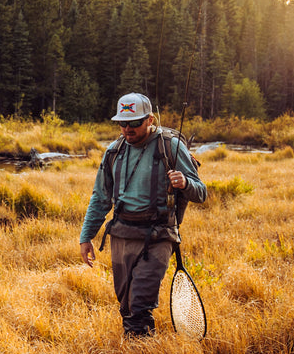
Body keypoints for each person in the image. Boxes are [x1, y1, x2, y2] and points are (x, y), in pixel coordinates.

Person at [79, 92, 207, 337]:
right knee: (126, 306)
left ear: (149, 120)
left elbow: (201, 193)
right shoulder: (113, 152)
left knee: (139, 306)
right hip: (121, 235)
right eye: (122, 123)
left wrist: (184, 183)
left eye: (135, 123)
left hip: (158, 236)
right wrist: (86, 237)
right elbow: (100, 198)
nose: (128, 129)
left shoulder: (170, 146)